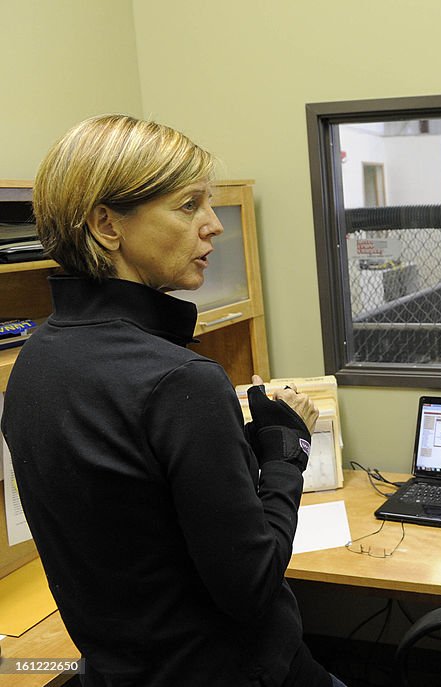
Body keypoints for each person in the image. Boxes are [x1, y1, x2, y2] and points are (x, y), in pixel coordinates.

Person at [1, 115, 346, 687]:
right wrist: (286, 452)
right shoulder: (179, 381)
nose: (214, 226)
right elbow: (251, 586)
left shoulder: (35, 361)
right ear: (107, 225)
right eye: (189, 206)